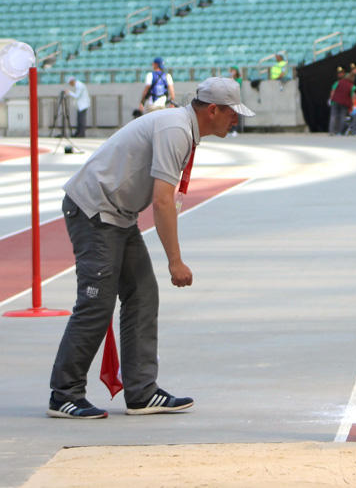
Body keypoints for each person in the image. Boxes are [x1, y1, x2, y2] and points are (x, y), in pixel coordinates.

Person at [48, 77, 253, 419]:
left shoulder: (181, 127)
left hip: (117, 214)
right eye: (233, 113)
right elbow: (161, 202)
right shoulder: (175, 130)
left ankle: (141, 393)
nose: (237, 120)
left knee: (142, 293)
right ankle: (64, 394)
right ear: (213, 110)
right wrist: (176, 261)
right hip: (94, 211)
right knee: (96, 303)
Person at [328, 69, 354, 135]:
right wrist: (352, 105)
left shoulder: (338, 82)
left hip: (335, 101)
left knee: (333, 116)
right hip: (344, 103)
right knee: (343, 116)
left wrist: (331, 99)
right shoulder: (351, 85)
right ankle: (340, 132)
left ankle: (332, 131)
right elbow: (352, 96)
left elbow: (333, 91)